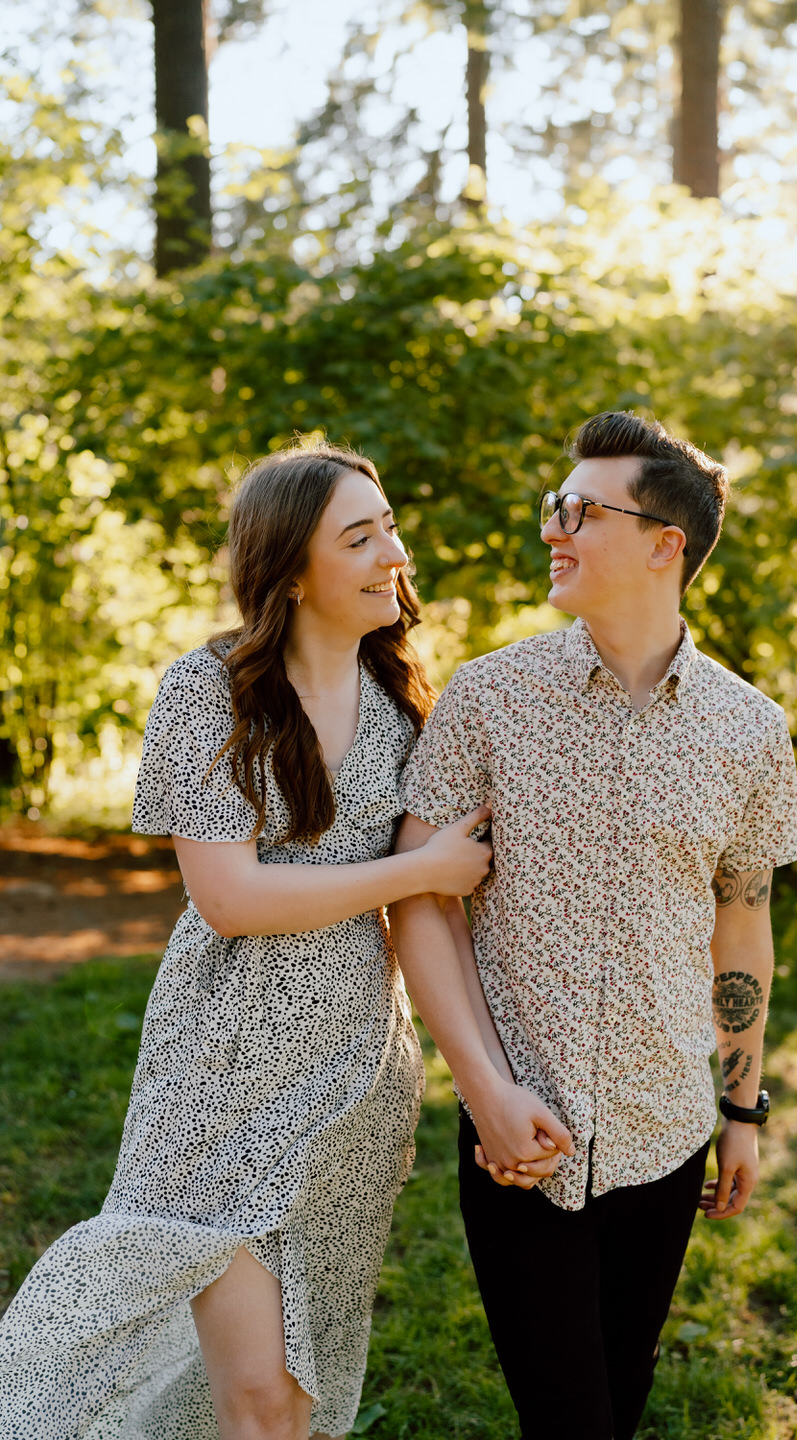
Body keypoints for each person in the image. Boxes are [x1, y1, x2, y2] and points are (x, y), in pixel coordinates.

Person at [0, 440, 492, 1440]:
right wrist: (416, 873)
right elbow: (227, 897)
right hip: (222, 1070)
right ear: (290, 570)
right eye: (360, 536)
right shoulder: (209, 691)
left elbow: (440, 912)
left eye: (389, 525)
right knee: (258, 1393)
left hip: (355, 1074)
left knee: (299, 1395)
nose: (393, 551)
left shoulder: (408, 706)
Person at [389, 411, 797, 1440]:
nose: (553, 528)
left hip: (669, 1135)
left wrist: (741, 1108)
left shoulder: (751, 729)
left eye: (581, 509)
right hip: (519, 1140)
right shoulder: (487, 698)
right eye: (553, 506)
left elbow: (742, 928)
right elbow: (417, 898)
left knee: (617, 1407)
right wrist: (485, 1093)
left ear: (668, 545)